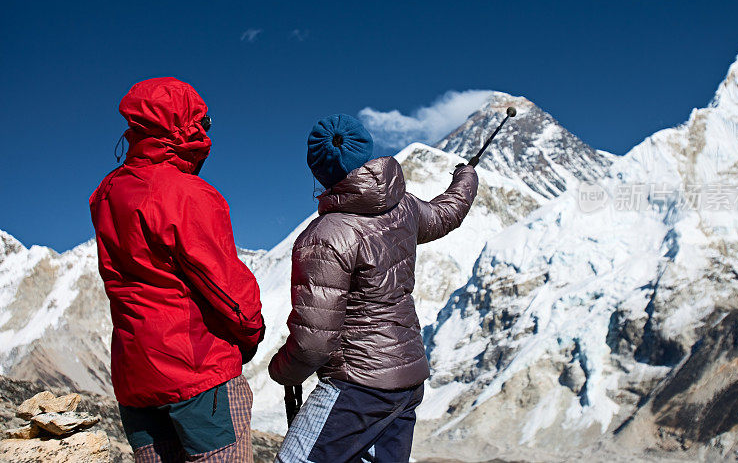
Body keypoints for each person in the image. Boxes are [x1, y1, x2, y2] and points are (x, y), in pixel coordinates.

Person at [269, 114, 479, 462]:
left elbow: (315, 342)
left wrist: (282, 370)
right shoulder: (405, 207)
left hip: (358, 386)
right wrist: (466, 177)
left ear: (318, 170)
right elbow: (447, 213)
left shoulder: (325, 236)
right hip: (408, 379)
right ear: (366, 152)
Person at [89, 77, 265, 462]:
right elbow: (225, 287)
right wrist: (251, 334)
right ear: (182, 126)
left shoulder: (106, 194)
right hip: (198, 375)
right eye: (202, 121)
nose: (205, 130)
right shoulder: (186, 193)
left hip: (136, 380)